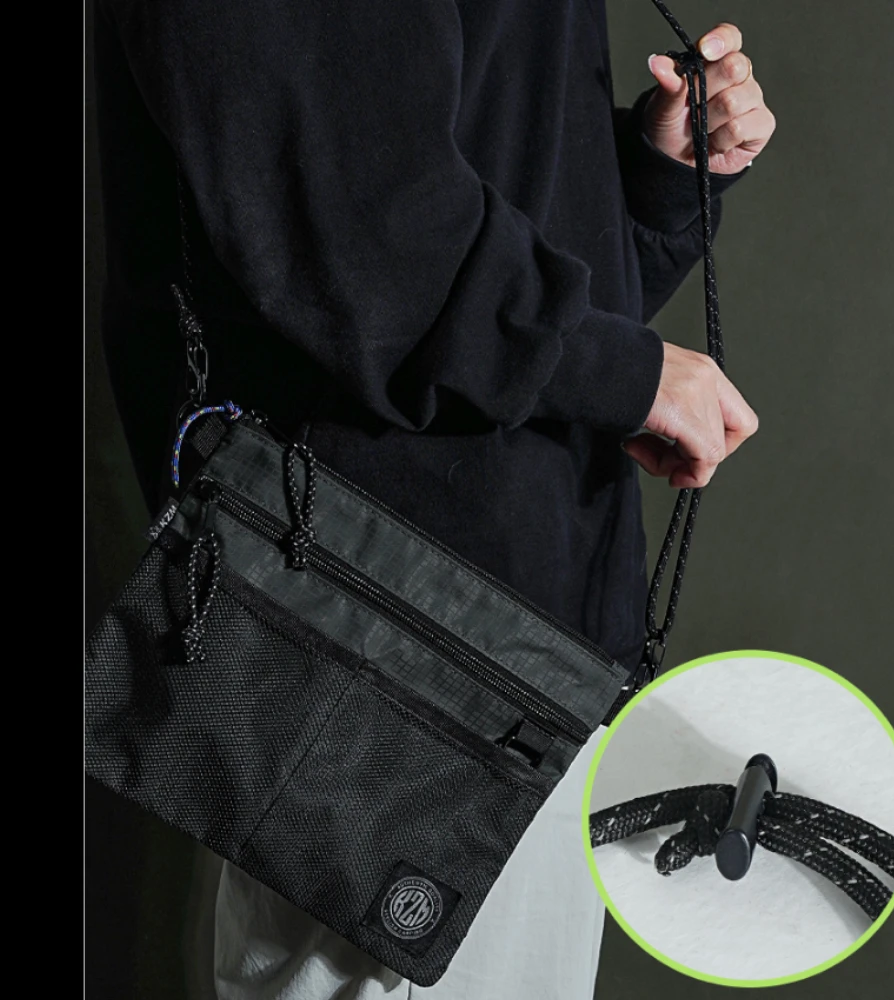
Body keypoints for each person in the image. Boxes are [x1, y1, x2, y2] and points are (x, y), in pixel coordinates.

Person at [93, 2, 774, 997]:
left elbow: (485, 252)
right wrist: (615, 371)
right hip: (376, 636)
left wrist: (651, 181)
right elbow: (351, 228)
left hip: (521, 644)